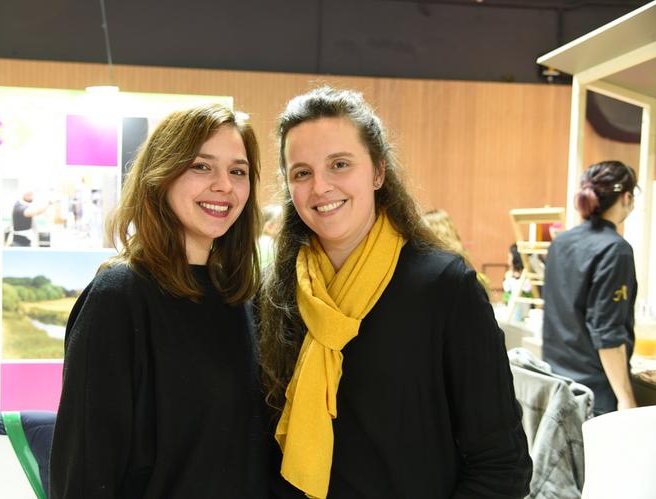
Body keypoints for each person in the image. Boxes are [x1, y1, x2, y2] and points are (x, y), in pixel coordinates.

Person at [258, 87, 531, 499]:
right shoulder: (280, 291)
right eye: (302, 173)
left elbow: (502, 465)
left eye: (340, 164)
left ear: (379, 172)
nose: (320, 187)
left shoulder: (444, 287)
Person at [49, 104, 266, 498]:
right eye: (202, 166)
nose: (224, 185)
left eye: (238, 171)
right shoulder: (118, 298)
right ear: (160, 176)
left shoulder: (244, 298)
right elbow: (84, 470)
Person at [543, 160, 639, 415]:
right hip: (594, 394)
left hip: (557, 384)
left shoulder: (560, 243)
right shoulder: (615, 250)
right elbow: (607, 334)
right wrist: (626, 399)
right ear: (627, 197)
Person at [259, 204, 283, 268]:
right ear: (270, 227)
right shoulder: (270, 244)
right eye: (281, 224)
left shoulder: (258, 241)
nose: (284, 228)